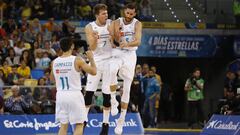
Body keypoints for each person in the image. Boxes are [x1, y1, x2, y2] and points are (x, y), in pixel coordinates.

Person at [50, 37, 96, 135]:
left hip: (61, 95)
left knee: (63, 125)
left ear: (61, 47)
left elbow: (52, 79)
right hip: (74, 94)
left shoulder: (54, 62)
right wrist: (91, 58)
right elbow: (94, 72)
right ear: (72, 46)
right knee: (79, 124)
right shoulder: (77, 60)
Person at [108, 3, 142, 134]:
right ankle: (112, 100)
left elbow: (138, 41)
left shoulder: (137, 24)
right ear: (124, 12)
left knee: (127, 88)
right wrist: (115, 39)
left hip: (130, 55)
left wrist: (127, 43)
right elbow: (112, 37)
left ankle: (121, 121)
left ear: (134, 14)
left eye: (131, 14)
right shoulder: (117, 21)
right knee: (111, 70)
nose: (128, 16)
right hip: (118, 52)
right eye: (127, 13)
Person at [84, 4, 113, 135]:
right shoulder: (90, 27)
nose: (106, 16)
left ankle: (105, 125)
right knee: (89, 93)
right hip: (95, 62)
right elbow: (93, 48)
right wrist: (95, 39)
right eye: (103, 14)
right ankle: (83, 121)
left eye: (106, 13)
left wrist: (113, 36)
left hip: (109, 62)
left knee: (107, 95)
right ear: (97, 15)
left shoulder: (111, 24)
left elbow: (117, 42)